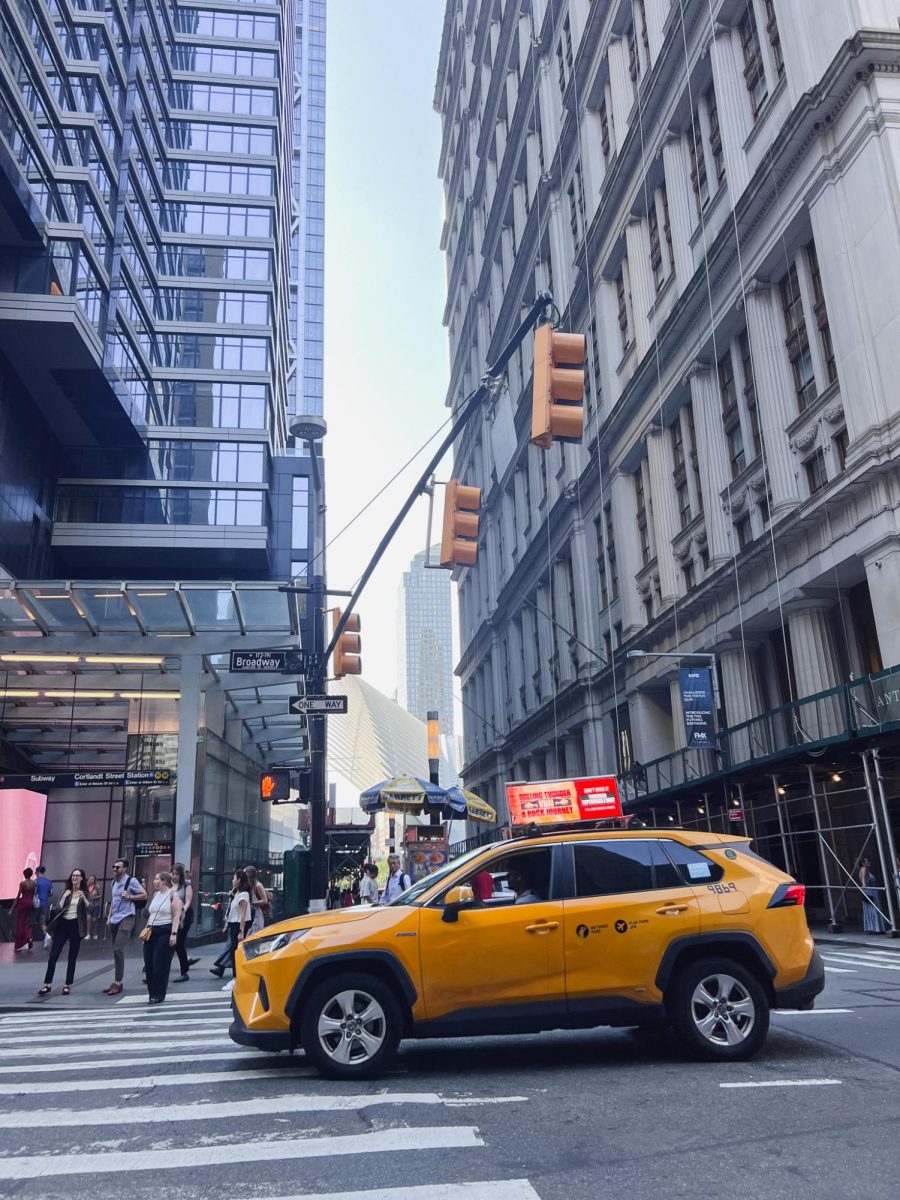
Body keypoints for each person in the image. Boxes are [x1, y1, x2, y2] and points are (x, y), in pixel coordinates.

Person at [39, 869, 89, 995]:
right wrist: (64, 897)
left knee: (72, 956)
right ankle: (47, 984)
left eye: (78, 876)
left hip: (76, 926)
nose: (75, 878)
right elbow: (57, 909)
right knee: (53, 955)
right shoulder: (66, 892)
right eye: (73, 875)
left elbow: (91, 909)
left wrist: (84, 898)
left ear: (82, 878)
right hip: (63, 925)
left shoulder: (85, 893)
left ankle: (67, 984)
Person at [103, 858, 147, 996]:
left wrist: (129, 897)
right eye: (113, 867)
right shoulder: (113, 882)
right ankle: (116, 981)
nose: (115, 869)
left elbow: (144, 895)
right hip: (115, 918)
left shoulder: (131, 881)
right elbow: (113, 901)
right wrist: (109, 917)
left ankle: (118, 982)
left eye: (118, 867)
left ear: (125, 868)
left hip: (127, 917)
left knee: (118, 949)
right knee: (116, 951)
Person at [143, 870, 183, 1004]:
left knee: (160, 963)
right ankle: (151, 992)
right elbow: (150, 913)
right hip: (151, 930)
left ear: (164, 881)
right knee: (148, 962)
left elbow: (177, 915)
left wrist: (174, 934)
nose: (154, 882)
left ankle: (159, 993)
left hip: (165, 930)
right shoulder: (155, 895)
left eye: (157, 879)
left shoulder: (173, 895)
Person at [210, 870, 250, 978]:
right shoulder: (237, 893)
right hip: (233, 924)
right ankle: (235, 976)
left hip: (238, 925)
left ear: (239, 880)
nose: (232, 880)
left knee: (235, 951)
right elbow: (232, 910)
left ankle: (237, 976)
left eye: (234, 878)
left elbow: (243, 914)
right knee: (233, 951)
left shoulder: (243, 895)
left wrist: (241, 931)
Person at [171, 862, 199, 982]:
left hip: (184, 917)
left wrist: (183, 910)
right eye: (172, 873)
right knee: (170, 945)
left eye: (176, 874)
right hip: (171, 917)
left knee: (179, 944)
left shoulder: (186, 884)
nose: (174, 876)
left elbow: (188, 901)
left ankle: (184, 971)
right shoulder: (169, 884)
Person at [9, 867, 37, 951]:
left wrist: (11, 909)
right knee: (27, 922)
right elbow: (34, 894)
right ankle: (29, 937)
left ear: (24, 874)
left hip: (23, 904)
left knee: (20, 923)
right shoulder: (33, 883)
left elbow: (18, 897)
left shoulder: (23, 883)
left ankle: (19, 944)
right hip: (31, 904)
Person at [860, 857, 887, 934]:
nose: (869, 862)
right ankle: (875, 928)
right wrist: (864, 884)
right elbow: (863, 878)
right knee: (873, 909)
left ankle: (875, 928)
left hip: (872, 891)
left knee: (873, 909)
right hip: (870, 891)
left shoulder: (865, 869)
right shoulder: (864, 868)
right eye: (867, 861)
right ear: (863, 863)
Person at [244, 865, 270, 936]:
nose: (244, 875)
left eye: (245, 872)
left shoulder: (258, 885)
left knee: (255, 932)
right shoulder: (250, 885)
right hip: (252, 912)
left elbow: (265, 900)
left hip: (257, 912)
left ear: (250, 874)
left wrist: (252, 903)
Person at [34, 865, 53, 946]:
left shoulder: (36, 881)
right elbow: (51, 893)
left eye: (35, 872)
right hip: (45, 903)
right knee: (42, 920)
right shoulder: (49, 881)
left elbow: (34, 892)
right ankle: (46, 935)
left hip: (37, 903)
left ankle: (46, 935)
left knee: (33, 920)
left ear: (38, 872)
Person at [85, 875, 102, 940]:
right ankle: (88, 934)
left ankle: (94, 933)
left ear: (95, 880)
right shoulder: (86, 887)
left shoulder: (97, 887)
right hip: (88, 905)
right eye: (90, 879)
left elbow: (100, 895)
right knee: (88, 919)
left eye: (93, 879)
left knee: (94, 920)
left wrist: (93, 897)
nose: (91, 880)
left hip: (96, 905)